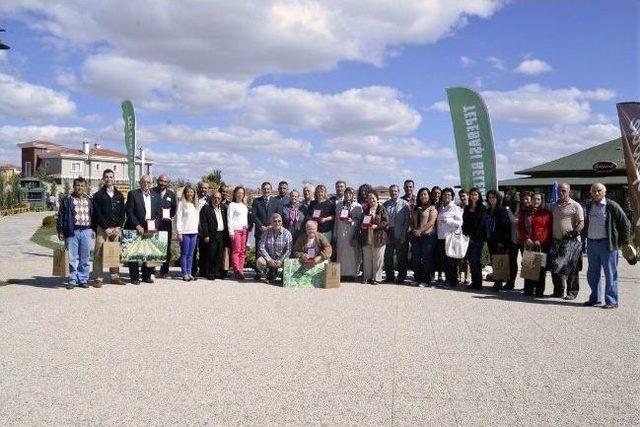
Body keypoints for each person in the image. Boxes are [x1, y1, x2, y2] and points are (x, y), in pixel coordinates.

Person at [583, 183, 631, 308]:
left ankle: (611, 301)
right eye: (594, 191)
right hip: (592, 244)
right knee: (592, 274)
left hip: (607, 244)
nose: (596, 193)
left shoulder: (612, 206)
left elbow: (625, 224)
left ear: (604, 192)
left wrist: (625, 242)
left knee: (610, 274)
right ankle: (595, 298)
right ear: (591, 192)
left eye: (599, 190)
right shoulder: (589, 205)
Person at [548, 183, 584, 299]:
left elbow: (581, 222)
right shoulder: (553, 205)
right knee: (555, 268)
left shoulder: (575, 205)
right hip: (556, 241)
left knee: (572, 269)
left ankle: (572, 292)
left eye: (563, 191)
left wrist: (575, 231)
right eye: (559, 191)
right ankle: (558, 291)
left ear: (569, 191)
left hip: (571, 242)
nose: (560, 193)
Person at [57, 177, 94, 289]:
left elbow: (93, 215)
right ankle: (72, 279)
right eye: (78, 185)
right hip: (72, 231)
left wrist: (93, 229)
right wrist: (60, 230)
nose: (80, 188)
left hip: (86, 231)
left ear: (85, 187)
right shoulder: (67, 199)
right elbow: (61, 216)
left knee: (85, 257)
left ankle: (82, 279)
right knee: (71, 257)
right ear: (74, 186)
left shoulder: (89, 199)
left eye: (82, 186)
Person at [124, 174, 160, 285]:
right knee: (134, 254)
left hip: (150, 229)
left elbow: (159, 214)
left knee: (148, 253)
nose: (146, 184)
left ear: (151, 184)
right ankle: (134, 277)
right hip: (135, 228)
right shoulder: (133, 194)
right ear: (140, 183)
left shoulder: (156, 195)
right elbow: (130, 212)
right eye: (144, 182)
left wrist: (155, 227)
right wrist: (137, 225)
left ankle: (146, 276)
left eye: (148, 182)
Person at [91, 169, 126, 287]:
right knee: (98, 253)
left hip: (116, 229)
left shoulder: (119, 195)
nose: (109, 179)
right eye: (106, 177)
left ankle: (115, 277)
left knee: (115, 252)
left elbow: (122, 213)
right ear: (103, 178)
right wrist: (106, 228)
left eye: (111, 177)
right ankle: (98, 278)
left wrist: (119, 227)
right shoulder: (98, 195)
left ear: (114, 179)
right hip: (102, 229)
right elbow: (97, 213)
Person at [518, 192, 552, 297]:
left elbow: (548, 228)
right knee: (529, 267)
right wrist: (526, 238)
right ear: (531, 200)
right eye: (534, 199)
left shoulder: (546, 213)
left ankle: (539, 291)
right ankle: (528, 290)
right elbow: (521, 227)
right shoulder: (525, 212)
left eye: (538, 199)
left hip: (542, 244)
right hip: (528, 243)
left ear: (541, 201)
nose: (536, 201)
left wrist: (539, 240)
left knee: (541, 270)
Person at [359, 191, 389, 285]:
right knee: (367, 258)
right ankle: (367, 277)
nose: (371, 200)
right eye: (369, 198)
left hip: (379, 237)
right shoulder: (365, 210)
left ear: (377, 198)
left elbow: (387, 222)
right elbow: (361, 221)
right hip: (367, 236)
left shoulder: (382, 209)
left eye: (373, 198)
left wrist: (377, 226)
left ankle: (376, 278)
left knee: (378, 259)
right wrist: (362, 226)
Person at [383, 184, 411, 284]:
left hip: (400, 232)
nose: (393, 193)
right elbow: (383, 218)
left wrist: (404, 234)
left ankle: (401, 277)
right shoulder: (386, 204)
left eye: (395, 191)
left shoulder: (405, 204)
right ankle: (389, 276)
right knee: (388, 256)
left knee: (401, 256)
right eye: (391, 191)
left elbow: (407, 221)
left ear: (399, 192)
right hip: (389, 232)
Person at [199, 191, 229, 280]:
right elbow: (203, 223)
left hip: (221, 234)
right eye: (215, 198)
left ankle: (216, 271)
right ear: (211, 198)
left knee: (218, 254)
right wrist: (206, 235)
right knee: (210, 254)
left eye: (218, 198)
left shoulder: (223, 208)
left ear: (221, 199)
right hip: (211, 234)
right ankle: (209, 272)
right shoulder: (206, 208)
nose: (216, 200)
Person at [436, 188, 463, 287]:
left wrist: (448, 220)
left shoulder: (455, 208)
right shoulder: (441, 208)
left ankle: (452, 281)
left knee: (451, 261)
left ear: (452, 197)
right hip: (441, 237)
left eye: (449, 195)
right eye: (445, 194)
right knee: (445, 260)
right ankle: (449, 279)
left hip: (450, 237)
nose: (446, 196)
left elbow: (460, 223)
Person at [411, 187, 438, 287]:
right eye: (421, 194)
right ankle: (418, 279)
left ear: (428, 195)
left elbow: (431, 222)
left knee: (426, 259)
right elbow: (412, 220)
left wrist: (420, 231)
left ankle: (426, 281)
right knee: (416, 258)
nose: (423, 196)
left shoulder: (432, 208)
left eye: (425, 194)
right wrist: (414, 229)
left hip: (428, 237)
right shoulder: (416, 208)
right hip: (416, 237)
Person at [334, 187, 363, 281]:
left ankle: (352, 274)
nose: (348, 195)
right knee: (341, 253)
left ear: (353, 195)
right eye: (346, 193)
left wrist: (352, 221)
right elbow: (336, 220)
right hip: (341, 231)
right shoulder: (339, 205)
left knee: (352, 253)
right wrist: (335, 233)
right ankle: (342, 274)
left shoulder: (358, 206)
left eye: (350, 193)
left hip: (352, 231)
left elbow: (360, 221)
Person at [485, 190, 511, 292]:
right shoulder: (488, 210)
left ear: (498, 198)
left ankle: (499, 282)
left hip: (500, 240)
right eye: (490, 197)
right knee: (493, 260)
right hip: (490, 238)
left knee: (499, 260)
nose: (491, 199)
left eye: (493, 197)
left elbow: (504, 226)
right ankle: (497, 280)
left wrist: (501, 240)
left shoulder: (502, 210)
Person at [257, 213, 293, 283]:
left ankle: (280, 273)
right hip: (270, 259)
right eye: (275, 221)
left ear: (282, 222)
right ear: (271, 223)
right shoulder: (266, 232)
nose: (277, 223)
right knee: (260, 261)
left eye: (279, 221)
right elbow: (261, 247)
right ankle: (266, 275)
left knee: (288, 263)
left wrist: (280, 260)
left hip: (281, 260)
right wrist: (269, 260)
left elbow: (289, 250)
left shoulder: (287, 233)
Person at [153, 174, 177, 279]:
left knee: (166, 249)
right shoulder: (151, 192)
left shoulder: (171, 194)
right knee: (152, 246)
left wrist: (170, 216)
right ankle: (151, 270)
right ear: (157, 181)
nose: (163, 183)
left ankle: (164, 271)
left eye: (165, 181)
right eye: (161, 181)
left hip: (166, 225)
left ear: (168, 183)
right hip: (152, 224)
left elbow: (174, 208)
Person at [462, 187, 486, 290]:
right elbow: (464, 222)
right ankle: (474, 282)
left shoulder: (482, 208)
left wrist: (473, 237)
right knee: (471, 259)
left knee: (475, 259)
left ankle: (478, 283)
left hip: (478, 238)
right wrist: (466, 233)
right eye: (472, 195)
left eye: (475, 195)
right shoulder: (467, 208)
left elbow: (481, 224)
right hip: (468, 238)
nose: (473, 196)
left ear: (479, 196)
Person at [176, 184, 200, 281]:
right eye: (188, 192)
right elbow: (178, 219)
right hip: (185, 232)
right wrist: (179, 232)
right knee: (184, 254)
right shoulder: (182, 204)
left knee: (191, 254)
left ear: (194, 193)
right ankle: (184, 273)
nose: (190, 193)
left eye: (191, 192)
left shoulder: (196, 205)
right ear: (185, 193)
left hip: (194, 232)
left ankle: (189, 273)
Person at [251, 182, 283, 251]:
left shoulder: (276, 202)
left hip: (273, 231)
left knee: (271, 253)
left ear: (271, 190)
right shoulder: (256, 201)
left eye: (268, 189)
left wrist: (272, 225)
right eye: (264, 189)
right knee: (259, 254)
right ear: (262, 190)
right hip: (259, 232)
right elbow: (253, 215)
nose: (266, 191)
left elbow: (279, 216)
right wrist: (261, 226)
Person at [227, 186, 249, 280]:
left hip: (244, 230)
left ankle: (241, 269)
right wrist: (231, 231)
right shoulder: (232, 205)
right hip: (236, 230)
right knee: (236, 251)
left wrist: (246, 226)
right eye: (238, 193)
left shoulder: (244, 205)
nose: (240, 194)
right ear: (235, 194)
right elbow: (229, 219)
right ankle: (236, 270)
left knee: (242, 251)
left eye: (242, 193)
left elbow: (245, 218)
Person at [191, 181, 211, 277]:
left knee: (204, 250)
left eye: (205, 188)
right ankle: (193, 271)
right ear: (199, 188)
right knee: (193, 250)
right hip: (193, 226)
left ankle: (203, 271)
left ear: (208, 189)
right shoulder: (193, 198)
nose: (203, 189)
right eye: (202, 187)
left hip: (205, 228)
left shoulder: (211, 200)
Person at [503, 187, 521, 290]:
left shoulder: (517, 205)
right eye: (505, 193)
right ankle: (509, 282)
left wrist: (508, 210)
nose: (506, 196)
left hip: (516, 237)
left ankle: (512, 283)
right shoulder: (504, 204)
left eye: (509, 194)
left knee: (517, 261)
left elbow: (514, 220)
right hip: (507, 237)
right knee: (510, 261)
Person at [430, 186, 444, 283]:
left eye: (438, 193)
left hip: (442, 233)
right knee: (431, 254)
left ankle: (439, 274)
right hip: (431, 232)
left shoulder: (443, 205)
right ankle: (431, 274)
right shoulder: (429, 204)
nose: (437, 195)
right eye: (435, 193)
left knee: (440, 255)